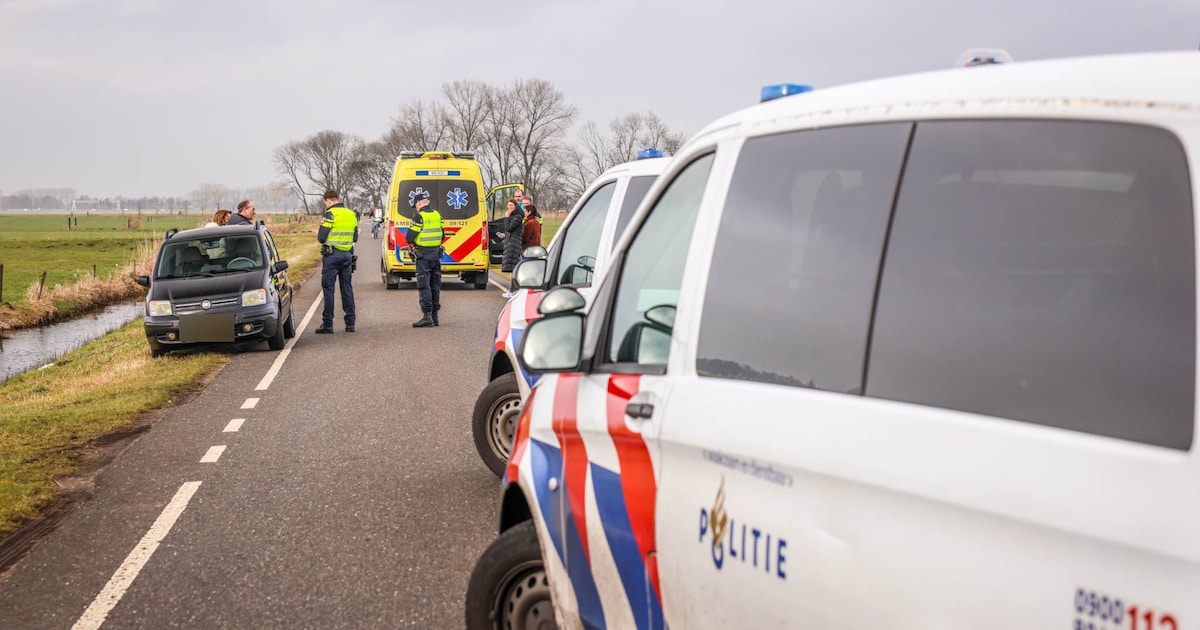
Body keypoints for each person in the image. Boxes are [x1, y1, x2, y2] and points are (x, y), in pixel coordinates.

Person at [315, 189, 358, 333]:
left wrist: (319, 233)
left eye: (325, 203)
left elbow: (321, 238)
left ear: (328, 201)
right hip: (347, 256)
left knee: (329, 290)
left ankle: (328, 324)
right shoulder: (352, 214)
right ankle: (350, 323)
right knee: (347, 289)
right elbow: (355, 238)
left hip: (332, 257)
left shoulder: (330, 215)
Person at [406, 191, 445, 328]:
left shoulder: (419, 217)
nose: (416, 208)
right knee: (435, 285)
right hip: (435, 254)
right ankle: (435, 316)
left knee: (424, 285)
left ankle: (427, 316)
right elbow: (442, 235)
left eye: (415, 205)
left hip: (423, 255)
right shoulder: (437, 215)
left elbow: (409, 238)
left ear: (419, 203)